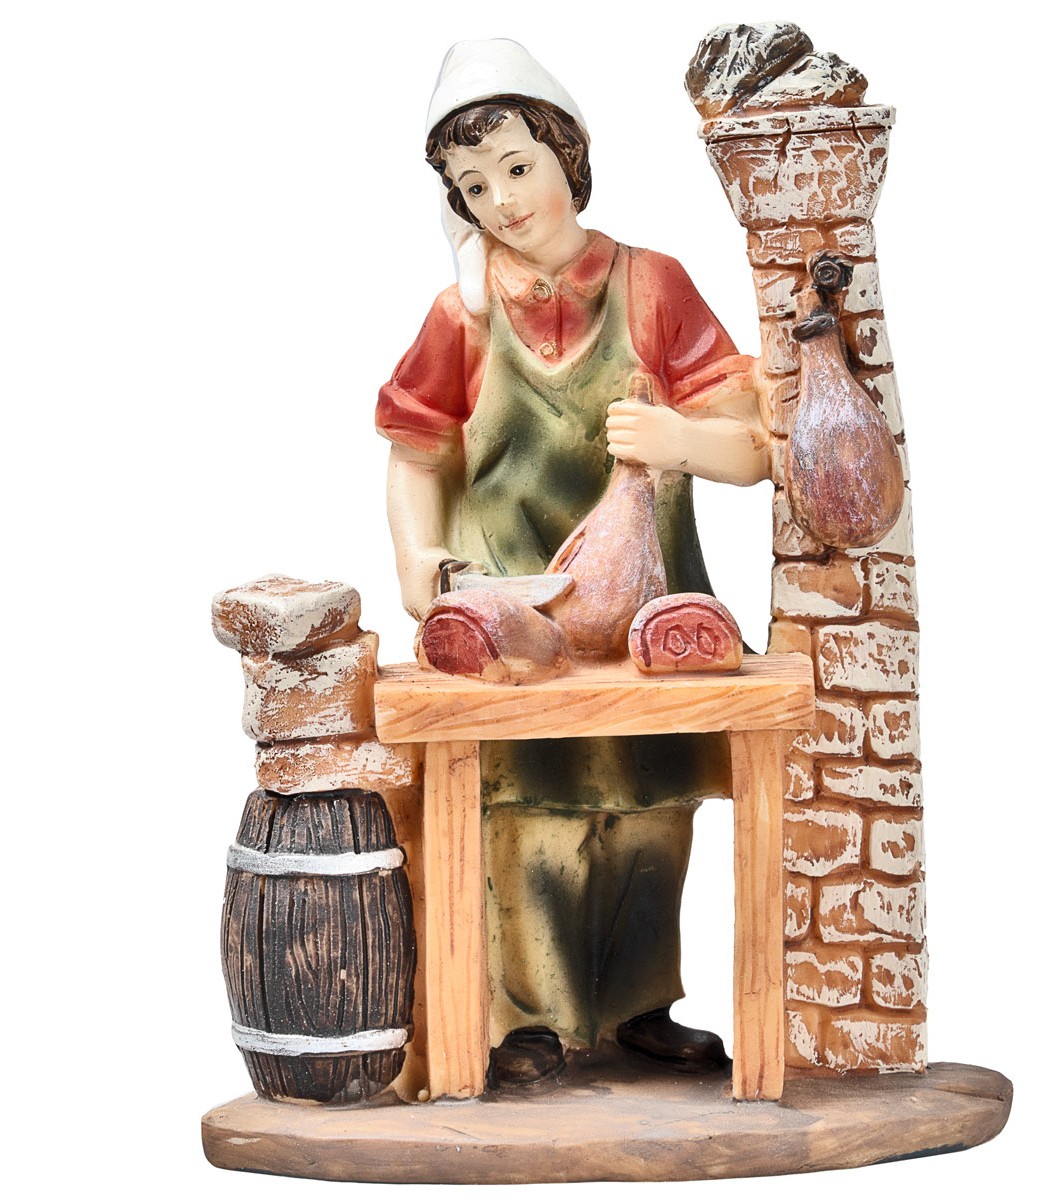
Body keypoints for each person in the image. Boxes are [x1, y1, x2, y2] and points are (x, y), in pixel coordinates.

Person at [377, 40, 768, 1086]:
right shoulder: (460, 317)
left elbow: (752, 445)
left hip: (648, 613)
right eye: (475, 186)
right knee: (529, 818)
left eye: (518, 167)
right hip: (518, 621)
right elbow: (417, 454)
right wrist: (420, 557)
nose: (503, 201)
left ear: (568, 157)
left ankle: (641, 1003)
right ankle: (530, 1018)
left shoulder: (654, 285)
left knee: (648, 812)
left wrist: (683, 440)